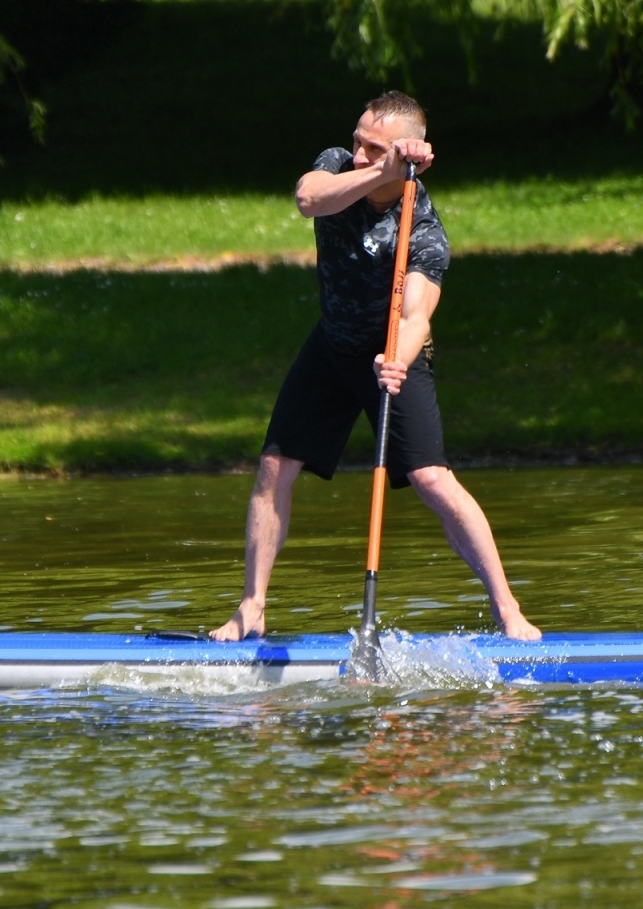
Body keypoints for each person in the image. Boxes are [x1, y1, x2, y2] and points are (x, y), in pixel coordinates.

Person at [210, 91, 541, 643]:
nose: (358, 152)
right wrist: (381, 167)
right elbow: (308, 200)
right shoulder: (337, 166)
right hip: (330, 347)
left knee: (432, 479)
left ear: (403, 159)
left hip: (391, 351)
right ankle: (252, 606)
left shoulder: (425, 231)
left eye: (375, 148)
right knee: (274, 467)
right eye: (358, 139)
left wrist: (399, 360)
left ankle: (508, 610)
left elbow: (416, 315)